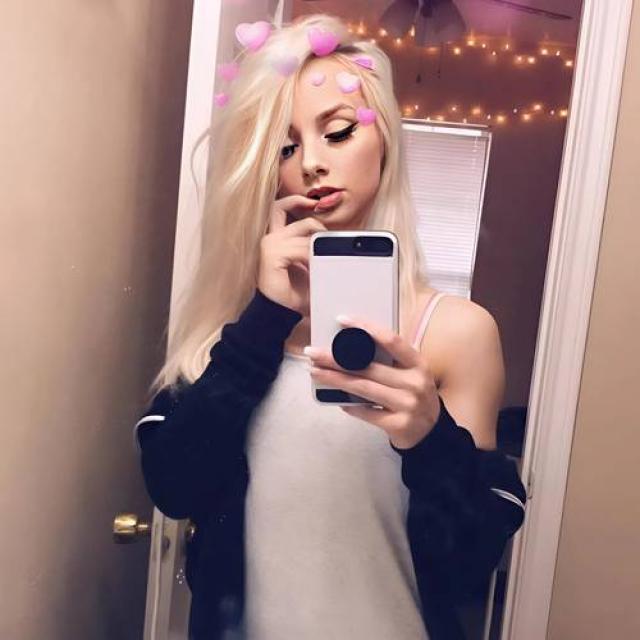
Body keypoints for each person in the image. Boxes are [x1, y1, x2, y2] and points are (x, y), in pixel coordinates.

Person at [133, 13, 527, 640]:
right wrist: (266, 319)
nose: (313, 164)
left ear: (385, 139)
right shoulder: (233, 326)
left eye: (338, 132)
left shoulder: (456, 332)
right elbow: (176, 488)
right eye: (285, 147)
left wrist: (428, 438)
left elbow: (466, 568)